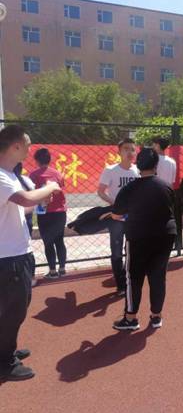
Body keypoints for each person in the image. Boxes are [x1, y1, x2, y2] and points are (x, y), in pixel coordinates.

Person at [0, 125, 61, 381]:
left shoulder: (9, 175)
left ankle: (6, 349)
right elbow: (25, 199)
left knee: (15, 307)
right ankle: (5, 362)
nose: (29, 149)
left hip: (16, 254)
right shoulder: (2, 176)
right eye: (27, 144)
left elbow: (20, 207)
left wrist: (39, 201)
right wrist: (50, 187)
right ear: (15, 146)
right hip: (8, 257)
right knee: (13, 310)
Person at [111, 148, 177, 330]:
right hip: (165, 235)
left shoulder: (129, 188)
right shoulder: (166, 186)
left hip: (138, 236)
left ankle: (131, 318)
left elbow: (116, 214)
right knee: (158, 276)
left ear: (138, 165)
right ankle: (156, 316)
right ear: (156, 165)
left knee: (134, 277)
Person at [98, 138, 139, 296]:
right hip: (116, 218)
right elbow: (101, 191)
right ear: (119, 152)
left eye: (132, 149)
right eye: (126, 149)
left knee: (132, 250)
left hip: (133, 218)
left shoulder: (137, 171)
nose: (130, 152)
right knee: (116, 252)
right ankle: (121, 285)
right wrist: (116, 204)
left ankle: (130, 280)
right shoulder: (111, 170)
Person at [29, 148, 67, 279]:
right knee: (59, 240)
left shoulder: (33, 175)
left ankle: (52, 271)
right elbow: (61, 189)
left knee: (48, 242)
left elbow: (31, 193)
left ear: (37, 160)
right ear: (49, 159)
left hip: (44, 212)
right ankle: (62, 269)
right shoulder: (57, 174)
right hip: (60, 212)